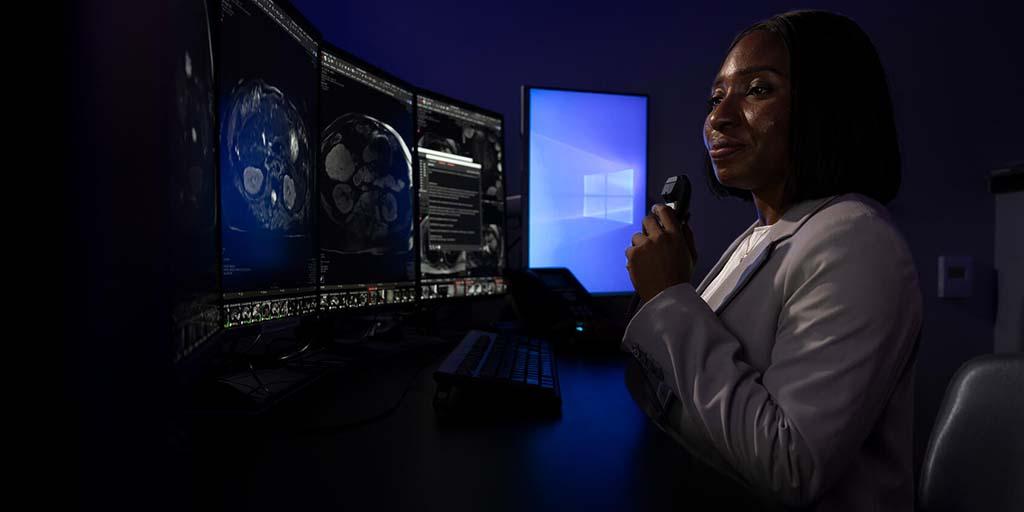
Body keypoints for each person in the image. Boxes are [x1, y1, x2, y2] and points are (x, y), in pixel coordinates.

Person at [623, 10, 922, 511]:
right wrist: (667, 293)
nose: (718, 117)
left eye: (758, 90)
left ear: (828, 106)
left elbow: (790, 464)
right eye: (716, 97)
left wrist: (672, 298)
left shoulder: (857, 240)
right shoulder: (764, 233)